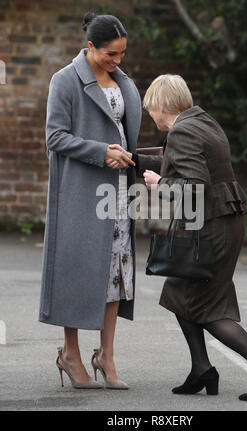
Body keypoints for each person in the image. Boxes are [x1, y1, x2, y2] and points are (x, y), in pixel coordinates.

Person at [110, 74, 247, 401]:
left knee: (207, 307)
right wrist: (133, 161)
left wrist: (157, 184)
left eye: (151, 110)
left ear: (163, 105)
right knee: (180, 293)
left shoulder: (182, 130)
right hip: (224, 222)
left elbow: (193, 185)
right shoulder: (203, 122)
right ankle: (201, 368)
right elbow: (176, 161)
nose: (151, 115)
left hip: (211, 227)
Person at [39, 12, 142, 389]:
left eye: (122, 53)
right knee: (77, 271)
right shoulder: (64, 81)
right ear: (90, 47)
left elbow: (125, 132)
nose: (118, 60)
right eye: (111, 54)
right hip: (81, 193)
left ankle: (107, 357)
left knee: (117, 274)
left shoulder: (122, 80)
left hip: (117, 193)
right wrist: (103, 151)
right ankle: (71, 353)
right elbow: (55, 137)